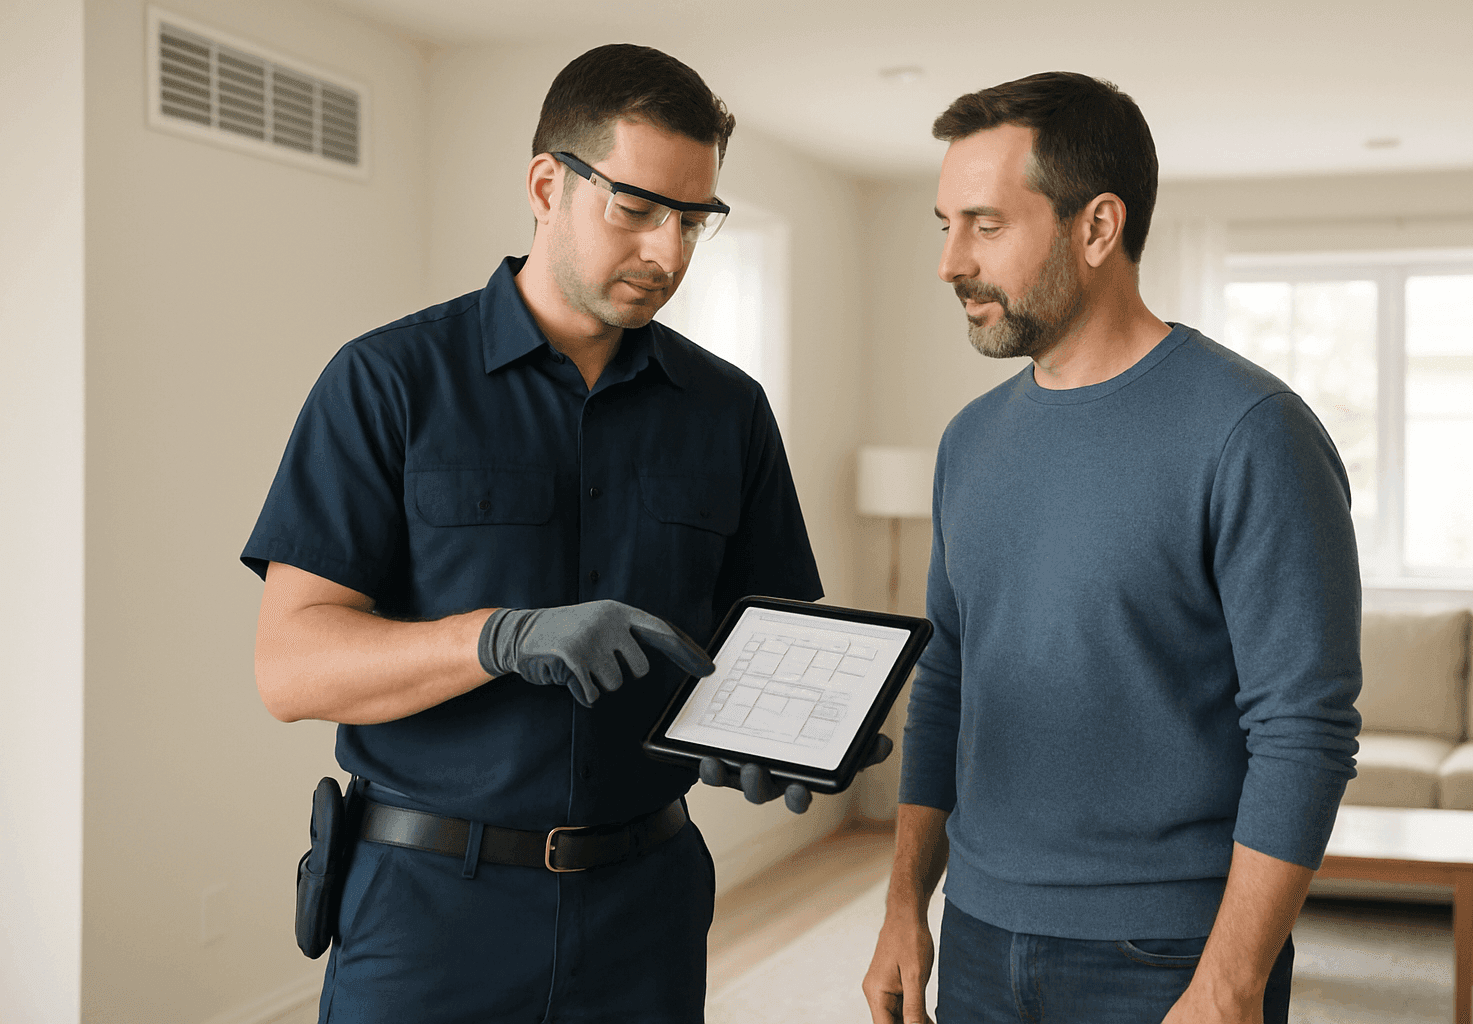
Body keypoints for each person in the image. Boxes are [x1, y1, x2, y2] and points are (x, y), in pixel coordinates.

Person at [244, 44, 827, 1024]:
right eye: (638, 208)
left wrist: (784, 733)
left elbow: (770, 640)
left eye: (694, 220)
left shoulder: (728, 412)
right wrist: (498, 637)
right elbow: (290, 666)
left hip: (648, 909)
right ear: (547, 185)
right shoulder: (388, 382)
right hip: (430, 914)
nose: (669, 253)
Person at [862, 72, 1362, 1024]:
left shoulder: (1253, 432)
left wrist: (1230, 981)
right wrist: (903, 904)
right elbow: (949, 684)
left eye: (986, 224)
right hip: (975, 930)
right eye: (944, 224)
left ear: (1097, 228)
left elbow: (1304, 728)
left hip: (1167, 954)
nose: (950, 261)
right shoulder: (970, 440)